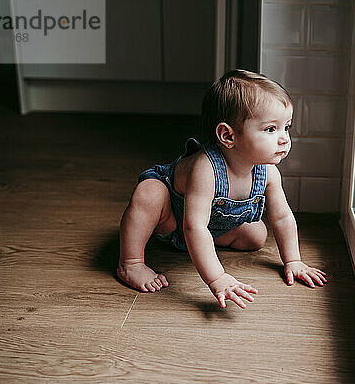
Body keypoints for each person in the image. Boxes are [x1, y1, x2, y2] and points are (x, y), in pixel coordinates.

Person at [117, 69, 328, 309]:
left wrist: (294, 260)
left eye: (286, 127)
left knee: (256, 235)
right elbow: (192, 225)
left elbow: (281, 216)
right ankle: (131, 263)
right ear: (228, 135)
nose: (284, 139)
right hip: (171, 223)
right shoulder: (206, 169)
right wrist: (217, 277)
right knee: (149, 192)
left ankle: (200, 248)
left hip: (206, 228)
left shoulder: (268, 172)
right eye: (271, 129)